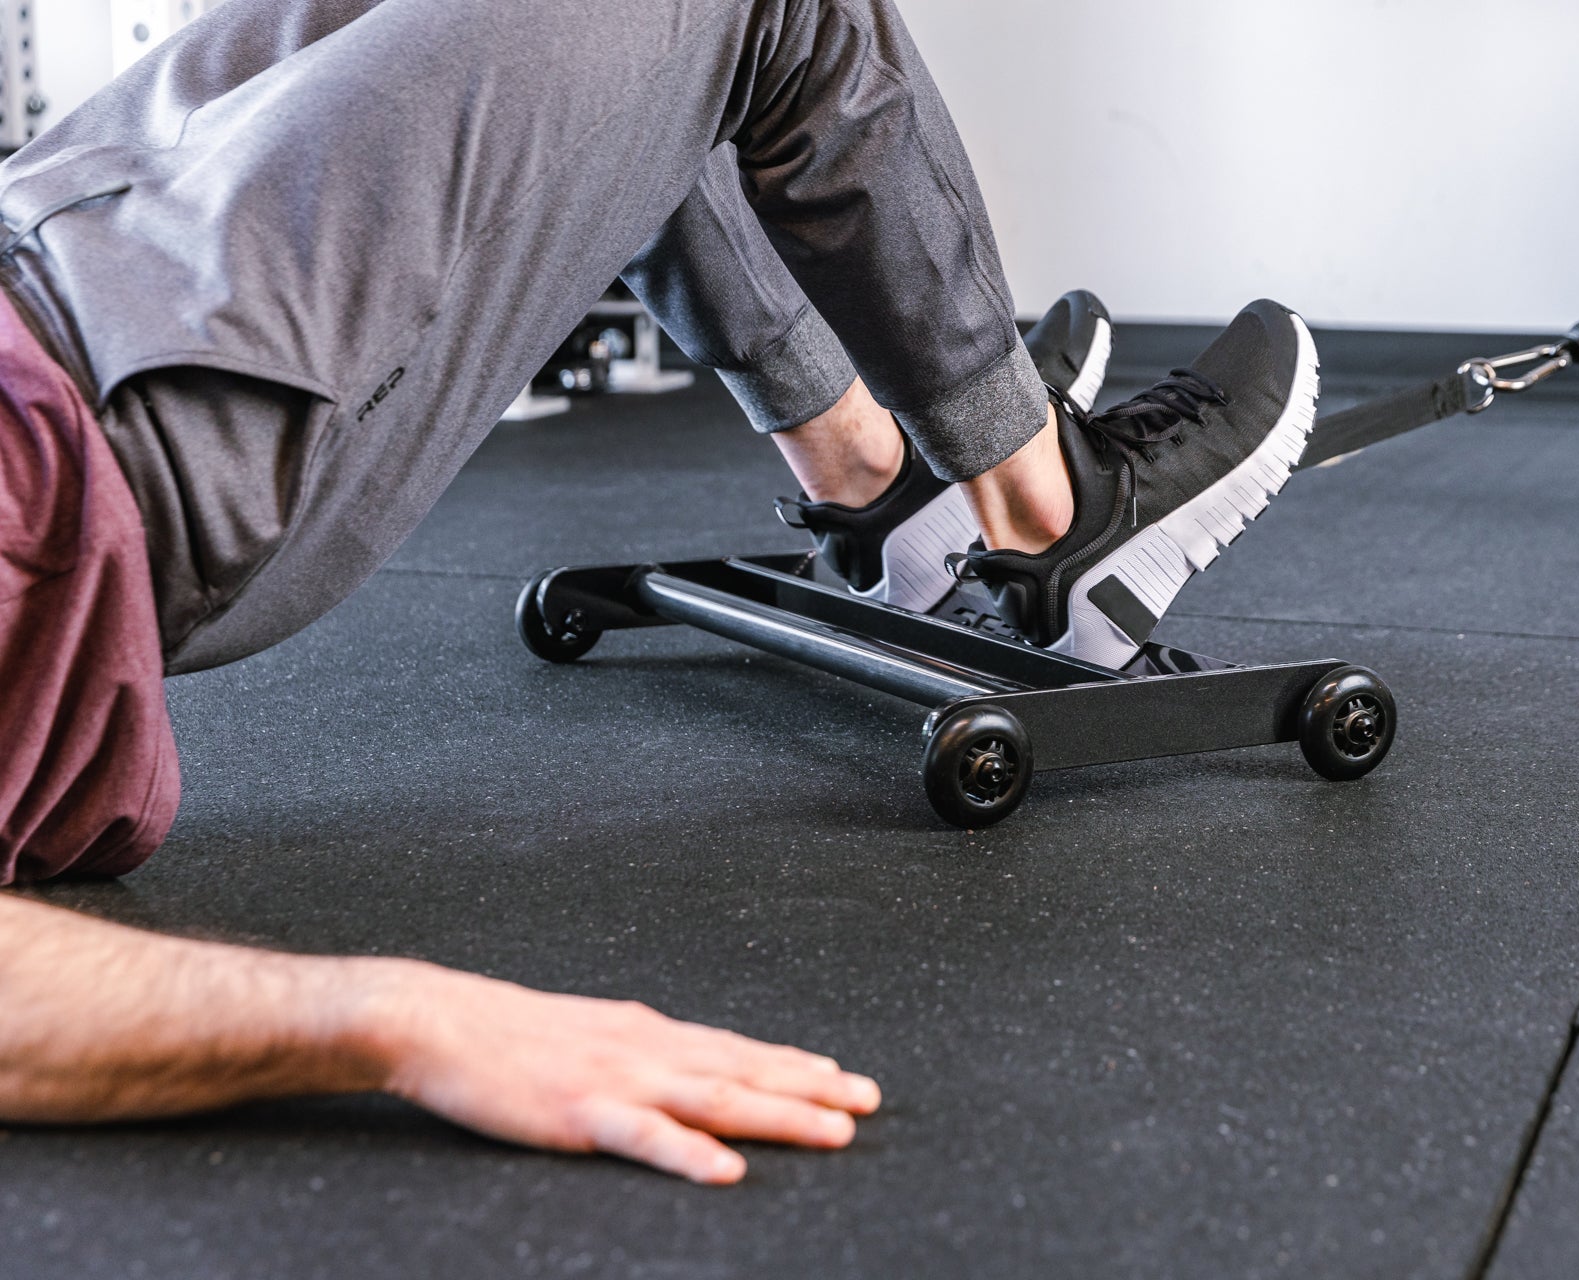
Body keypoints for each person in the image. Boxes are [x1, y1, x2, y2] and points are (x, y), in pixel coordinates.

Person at [0, 0, 1318, 1184]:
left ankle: (886, 489)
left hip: (41, 248)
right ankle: (1054, 512)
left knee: (639, 67)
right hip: (121, 416)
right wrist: (391, 1020)